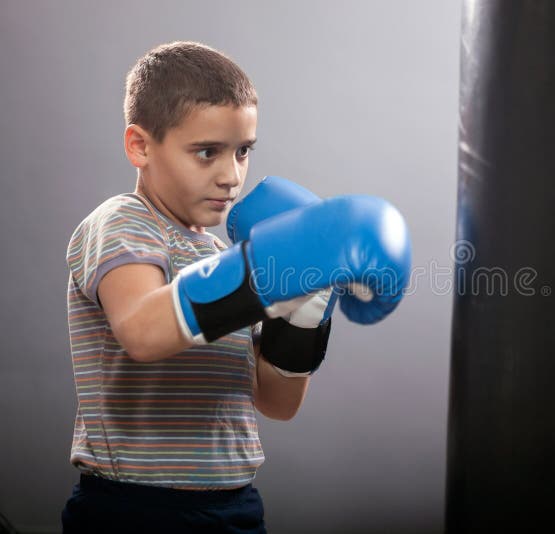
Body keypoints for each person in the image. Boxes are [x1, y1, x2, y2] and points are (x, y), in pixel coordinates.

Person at [61, 41, 411, 533]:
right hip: (133, 508)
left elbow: (276, 403)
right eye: (207, 152)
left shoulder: (220, 260)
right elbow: (142, 331)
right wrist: (268, 271)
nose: (231, 176)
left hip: (234, 505)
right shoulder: (124, 223)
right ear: (140, 145)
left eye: (243, 151)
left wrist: (305, 310)